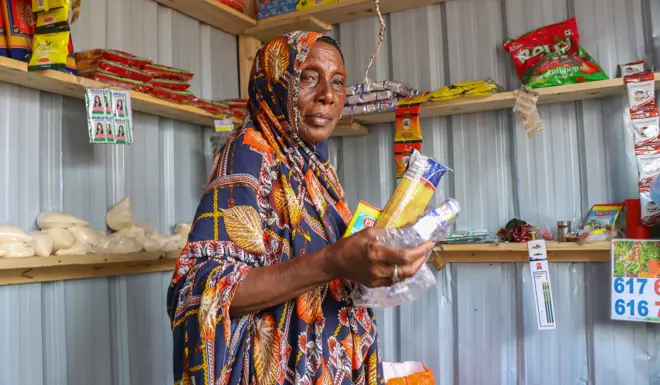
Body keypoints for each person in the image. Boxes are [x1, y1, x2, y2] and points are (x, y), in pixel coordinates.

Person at [167, 31, 433, 385]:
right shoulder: (249, 153)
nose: (327, 96)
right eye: (309, 78)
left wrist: (381, 261)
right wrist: (333, 260)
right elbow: (203, 289)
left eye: (338, 82)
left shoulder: (317, 171)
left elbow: (329, 275)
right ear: (275, 82)